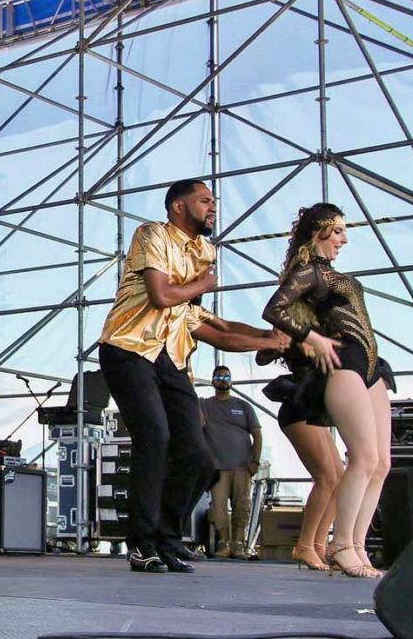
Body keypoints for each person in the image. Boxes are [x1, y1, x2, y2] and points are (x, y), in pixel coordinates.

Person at [98, 179, 289, 574]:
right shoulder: (152, 233)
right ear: (178, 207)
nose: (212, 207)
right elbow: (161, 295)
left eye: (213, 202)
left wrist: (270, 338)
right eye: (204, 200)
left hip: (170, 358)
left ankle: (168, 540)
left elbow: (215, 327)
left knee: (199, 457)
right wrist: (201, 284)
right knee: (155, 438)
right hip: (128, 348)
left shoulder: (203, 252)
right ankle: (142, 544)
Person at [262, 203, 392, 578]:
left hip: (371, 366)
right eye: (337, 231)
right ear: (319, 230)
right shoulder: (312, 272)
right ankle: (340, 544)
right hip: (345, 362)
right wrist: (314, 338)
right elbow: (274, 309)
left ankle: (357, 546)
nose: (343, 239)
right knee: (363, 458)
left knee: (381, 463)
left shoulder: (331, 274)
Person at [201, 365, 262, 559]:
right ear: (212, 381)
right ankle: (224, 544)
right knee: (218, 507)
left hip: (242, 467)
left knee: (242, 507)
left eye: (226, 377)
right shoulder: (204, 405)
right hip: (217, 467)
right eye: (219, 377)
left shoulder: (243, 406)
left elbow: (257, 435)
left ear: (232, 380)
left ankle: (238, 545)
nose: (223, 380)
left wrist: (255, 462)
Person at [277, 396, 343, 571]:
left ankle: (318, 544)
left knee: (339, 480)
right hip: (301, 408)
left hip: (314, 411)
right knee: (326, 478)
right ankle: (304, 545)